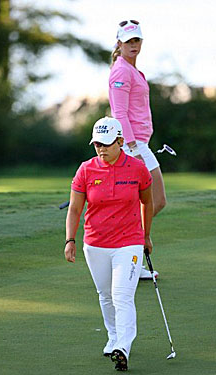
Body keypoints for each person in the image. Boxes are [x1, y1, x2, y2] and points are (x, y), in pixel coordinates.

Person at [64, 116, 153, 371]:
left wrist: (146, 235)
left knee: (122, 295)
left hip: (129, 242)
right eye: (96, 144)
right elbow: (74, 209)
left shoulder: (137, 168)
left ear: (121, 141)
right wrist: (70, 239)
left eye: (106, 143)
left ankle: (122, 347)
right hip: (95, 243)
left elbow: (148, 202)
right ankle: (113, 336)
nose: (101, 149)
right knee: (105, 295)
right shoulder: (86, 169)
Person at [109, 20, 166, 280]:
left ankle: (124, 245)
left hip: (140, 143)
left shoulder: (133, 70)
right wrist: (131, 146)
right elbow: (119, 112)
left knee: (150, 203)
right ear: (119, 43)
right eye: (129, 41)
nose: (134, 45)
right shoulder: (121, 71)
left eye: (137, 41)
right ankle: (126, 248)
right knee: (151, 201)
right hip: (133, 145)